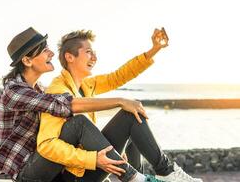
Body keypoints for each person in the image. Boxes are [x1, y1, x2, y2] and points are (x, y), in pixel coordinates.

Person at [24, 29, 203, 182]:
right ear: (70, 57)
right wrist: (93, 159)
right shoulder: (58, 89)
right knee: (126, 115)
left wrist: (153, 50)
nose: (94, 56)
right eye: (88, 52)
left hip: (89, 167)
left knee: (132, 119)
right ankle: (166, 172)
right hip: (75, 175)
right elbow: (48, 146)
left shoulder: (87, 85)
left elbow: (119, 76)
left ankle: (152, 174)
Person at [0, 27, 154, 181]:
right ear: (28, 61)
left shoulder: (40, 90)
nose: (51, 53)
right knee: (78, 123)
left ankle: (139, 176)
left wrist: (153, 51)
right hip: (13, 174)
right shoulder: (14, 91)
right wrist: (120, 101)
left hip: (45, 168)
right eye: (44, 50)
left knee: (122, 122)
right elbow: (62, 106)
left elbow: (116, 77)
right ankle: (135, 177)